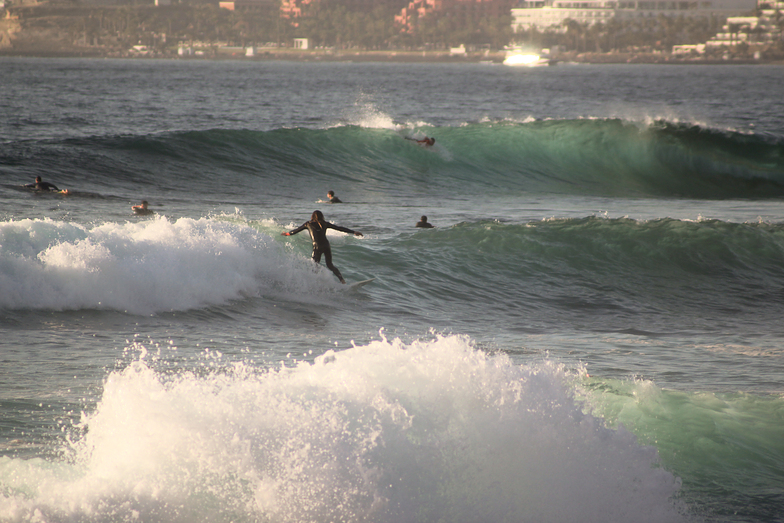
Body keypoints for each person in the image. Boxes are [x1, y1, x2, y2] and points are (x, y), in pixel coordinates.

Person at [281, 210, 363, 284]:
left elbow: (295, 231)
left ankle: (315, 283)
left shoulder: (308, 224)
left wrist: (287, 234)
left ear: (312, 216)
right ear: (321, 216)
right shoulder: (325, 224)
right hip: (326, 245)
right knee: (330, 265)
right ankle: (342, 280)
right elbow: (339, 228)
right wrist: (353, 232)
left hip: (317, 247)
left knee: (314, 265)